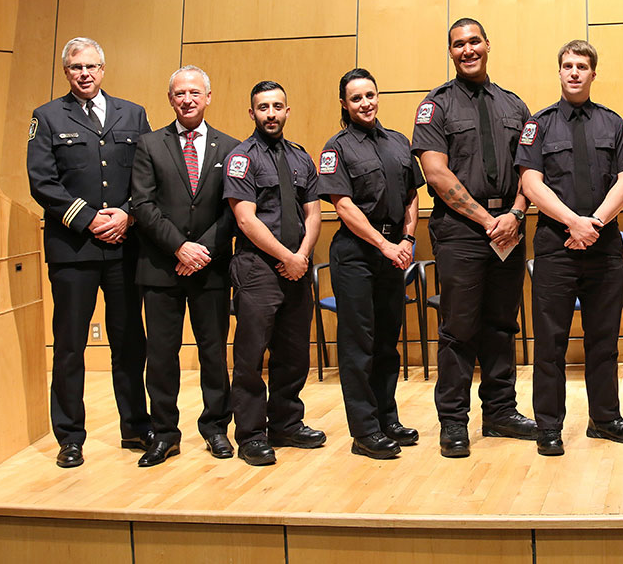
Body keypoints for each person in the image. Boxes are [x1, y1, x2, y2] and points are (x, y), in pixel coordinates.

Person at [412, 18, 536, 459]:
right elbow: (435, 172)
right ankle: (453, 422)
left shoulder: (515, 105)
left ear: (488, 45)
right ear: (450, 52)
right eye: (458, 44)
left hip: (511, 226)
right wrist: (489, 220)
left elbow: (529, 170)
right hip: (462, 230)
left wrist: (517, 213)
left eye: (474, 41)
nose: (467, 50)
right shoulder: (435, 106)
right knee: (459, 329)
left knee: (502, 325)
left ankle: (501, 412)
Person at [27, 37, 152, 468]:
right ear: (66, 72)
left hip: (123, 248)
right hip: (74, 250)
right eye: (76, 67)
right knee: (69, 346)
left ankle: (136, 425)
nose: (85, 73)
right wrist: (88, 218)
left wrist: (129, 215)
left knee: (129, 342)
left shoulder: (133, 114)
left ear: (104, 69)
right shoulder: (46, 117)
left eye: (92, 66)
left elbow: (148, 173)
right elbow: (42, 182)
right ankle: (70, 435)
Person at [517, 39, 623, 456]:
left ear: (593, 73)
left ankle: (604, 419)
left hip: (604, 245)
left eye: (582, 66)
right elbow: (530, 183)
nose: (574, 72)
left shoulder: (612, 122)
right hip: (556, 244)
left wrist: (596, 223)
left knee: (603, 339)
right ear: (559, 71)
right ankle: (548, 426)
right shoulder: (539, 124)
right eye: (567, 65)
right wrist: (574, 222)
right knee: (550, 342)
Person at [129, 65, 239, 467]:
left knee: (213, 352)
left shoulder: (231, 147)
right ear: (170, 99)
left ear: (208, 97)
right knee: (161, 356)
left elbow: (235, 209)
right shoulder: (149, 145)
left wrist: (202, 250)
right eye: (179, 93)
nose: (187, 99)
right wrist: (180, 248)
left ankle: (216, 429)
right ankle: (165, 434)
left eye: (195, 92)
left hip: (210, 268)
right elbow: (141, 204)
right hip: (161, 267)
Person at [318, 69, 424, 460]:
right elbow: (343, 206)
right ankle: (364, 432)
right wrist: (385, 245)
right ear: (344, 104)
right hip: (357, 253)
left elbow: (413, 193)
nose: (365, 103)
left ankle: (386, 418)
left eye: (370, 95)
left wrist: (408, 239)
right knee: (358, 345)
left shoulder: (398, 142)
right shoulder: (337, 147)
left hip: (393, 251)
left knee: (386, 342)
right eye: (356, 98)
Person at [223, 81, 323, 466]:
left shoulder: (300, 157)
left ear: (287, 111)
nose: (270, 113)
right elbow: (246, 219)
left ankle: (286, 423)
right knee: (251, 355)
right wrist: (288, 256)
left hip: (297, 266)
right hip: (258, 268)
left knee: (295, 352)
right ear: (252, 113)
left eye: (277, 106)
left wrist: (301, 256)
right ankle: (250, 435)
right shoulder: (241, 158)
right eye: (263, 107)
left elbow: (313, 212)